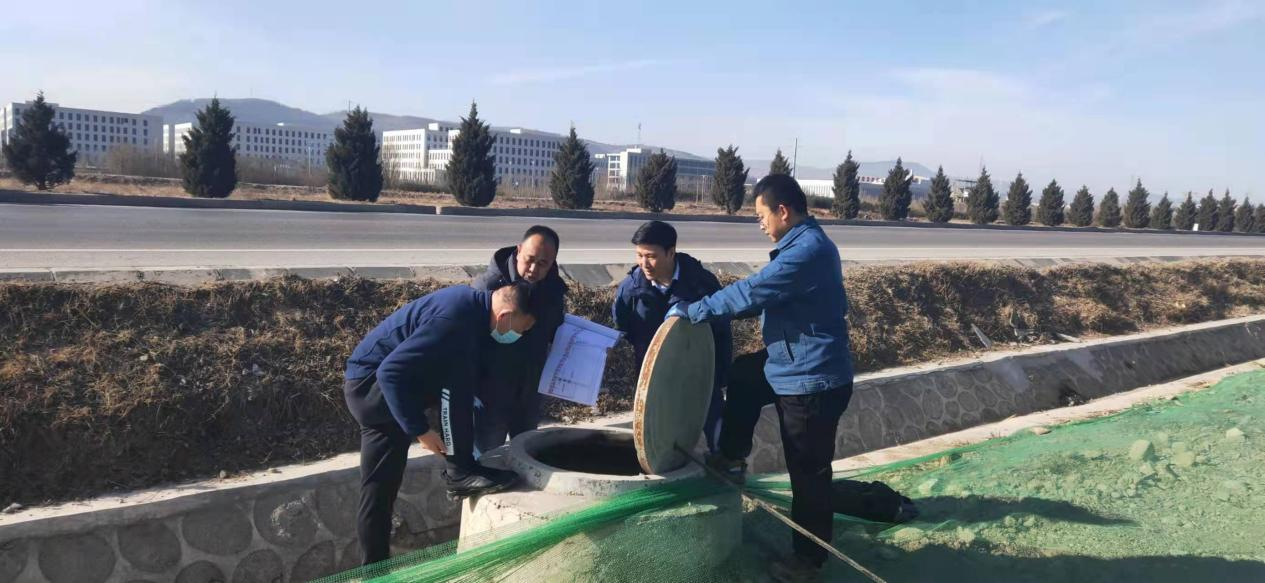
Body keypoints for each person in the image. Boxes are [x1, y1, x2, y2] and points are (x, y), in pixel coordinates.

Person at [667, 174, 853, 581]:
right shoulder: (803, 245)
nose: (760, 224)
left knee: (808, 473)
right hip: (792, 362)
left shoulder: (808, 251)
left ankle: (809, 560)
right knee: (746, 376)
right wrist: (714, 310)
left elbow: (753, 290)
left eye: (760, 216)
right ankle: (731, 456)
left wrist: (694, 311)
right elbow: (764, 298)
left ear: (782, 211)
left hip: (812, 380)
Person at [343, 281, 541, 566]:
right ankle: (374, 572)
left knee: (460, 375)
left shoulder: (472, 312)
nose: (519, 335)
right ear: (505, 316)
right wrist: (420, 430)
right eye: (521, 329)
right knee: (379, 490)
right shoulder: (454, 320)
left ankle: (462, 469)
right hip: (370, 388)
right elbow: (390, 373)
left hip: (392, 387)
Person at [611, 220, 732, 452]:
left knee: (713, 423)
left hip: (698, 374)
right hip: (655, 378)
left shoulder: (701, 285)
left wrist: (720, 375)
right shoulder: (631, 288)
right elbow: (622, 325)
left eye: (651, 256)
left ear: (671, 252)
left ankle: (721, 460)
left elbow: (722, 332)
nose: (644, 263)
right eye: (639, 255)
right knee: (658, 434)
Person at [470, 225, 568, 454]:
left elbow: (554, 331)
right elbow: (468, 340)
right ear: (518, 250)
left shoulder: (552, 290)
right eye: (529, 260)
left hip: (529, 392)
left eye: (542, 264)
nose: (533, 269)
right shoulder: (489, 288)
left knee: (526, 451)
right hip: (490, 394)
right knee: (488, 455)